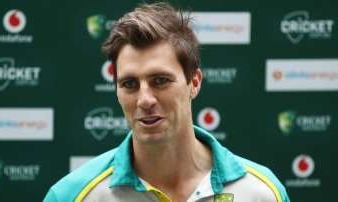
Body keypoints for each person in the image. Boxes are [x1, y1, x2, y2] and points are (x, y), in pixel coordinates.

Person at [44, 2, 290, 202]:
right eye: (129, 84)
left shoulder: (261, 192)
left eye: (160, 80)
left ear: (194, 82)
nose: (145, 99)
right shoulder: (71, 196)